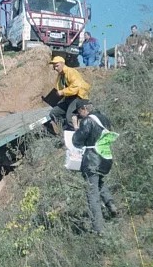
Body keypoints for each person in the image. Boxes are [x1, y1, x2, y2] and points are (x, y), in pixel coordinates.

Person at [71, 100, 119, 235]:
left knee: (92, 193)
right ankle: (111, 205)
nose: (79, 115)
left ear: (83, 109)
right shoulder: (103, 118)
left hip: (92, 159)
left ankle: (98, 228)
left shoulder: (87, 121)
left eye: (79, 112)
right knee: (98, 182)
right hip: (105, 158)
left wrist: (76, 127)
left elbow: (76, 141)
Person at [45, 55, 91, 132]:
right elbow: (61, 89)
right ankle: (65, 130)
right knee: (54, 113)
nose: (55, 68)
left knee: (70, 117)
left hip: (78, 97)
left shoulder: (71, 71)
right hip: (68, 98)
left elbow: (76, 87)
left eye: (57, 66)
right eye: (54, 67)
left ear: (62, 64)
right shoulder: (60, 76)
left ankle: (78, 134)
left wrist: (62, 92)